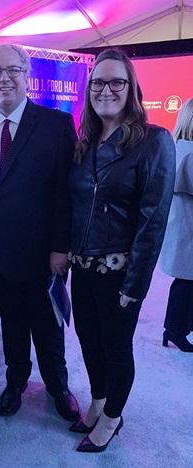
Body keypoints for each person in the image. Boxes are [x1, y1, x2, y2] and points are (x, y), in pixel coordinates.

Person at [68, 49, 175, 452]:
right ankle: (97, 402)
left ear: (131, 89)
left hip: (119, 273)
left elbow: (154, 219)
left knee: (115, 349)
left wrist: (137, 283)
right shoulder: (86, 141)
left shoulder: (154, 141)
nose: (106, 89)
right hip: (82, 267)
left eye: (116, 81)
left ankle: (112, 417)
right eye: (98, 82)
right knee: (87, 341)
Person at [0, 43, 80, 421]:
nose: (4, 78)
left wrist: (61, 249)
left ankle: (58, 386)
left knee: (48, 329)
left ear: (26, 75)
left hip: (43, 256)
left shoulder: (56, 124)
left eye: (13, 70)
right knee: (11, 326)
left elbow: (66, 194)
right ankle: (16, 381)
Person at [160, 98, 193, 352]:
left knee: (185, 283)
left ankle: (177, 329)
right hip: (187, 230)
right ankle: (174, 330)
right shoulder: (190, 152)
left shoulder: (179, 147)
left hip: (182, 227)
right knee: (186, 283)